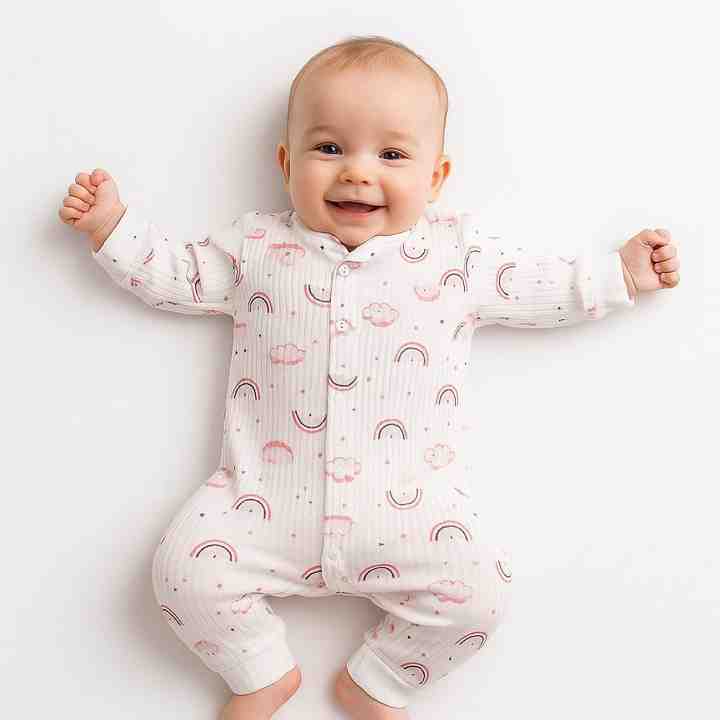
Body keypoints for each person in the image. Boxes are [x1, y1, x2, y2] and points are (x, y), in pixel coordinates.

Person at [58, 34, 679, 720]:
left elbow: (539, 286)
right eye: (329, 148)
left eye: (391, 155)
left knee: (481, 593)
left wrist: (620, 275)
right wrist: (114, 228)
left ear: (435, 178)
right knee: (184, 573)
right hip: (262, 502)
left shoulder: (453, 255)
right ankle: (259, 670)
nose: (357, 173)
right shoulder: (258, 246)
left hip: (411, 512)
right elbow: (181, 275)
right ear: (287, 163)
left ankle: (381, 681)